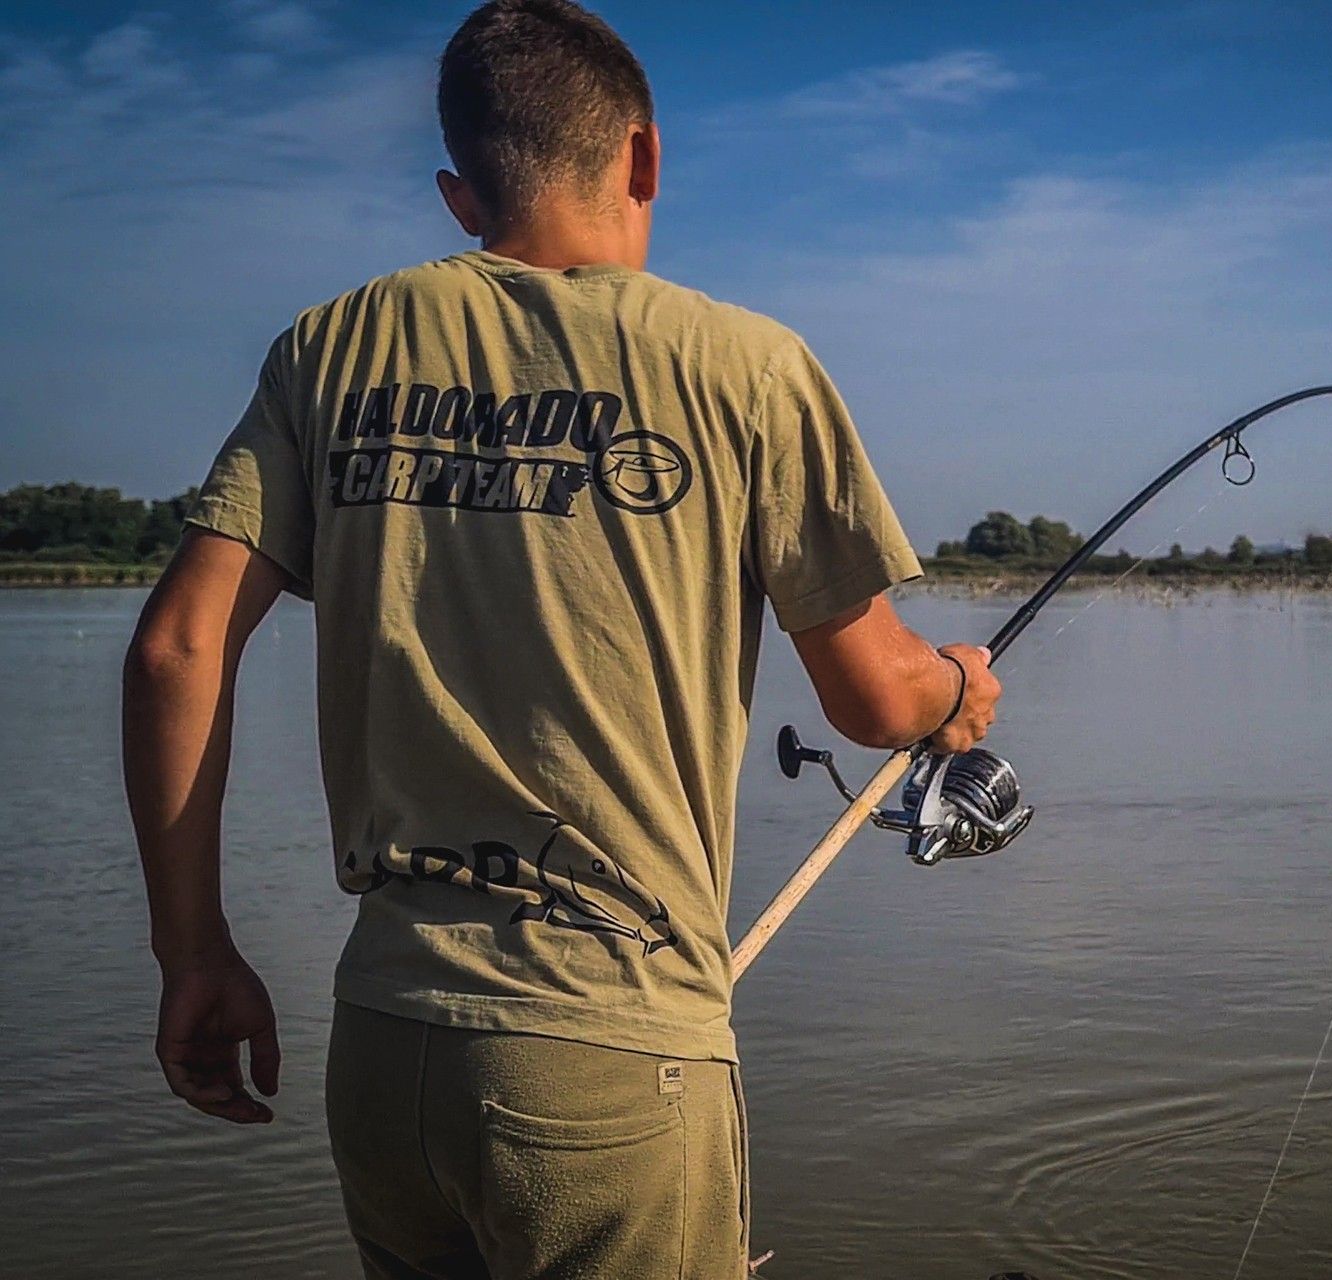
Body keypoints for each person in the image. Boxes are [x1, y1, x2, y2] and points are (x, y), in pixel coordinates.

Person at [119, 1, 1002, 1276]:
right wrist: (957, 693)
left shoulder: (331, 346)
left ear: (457, 193)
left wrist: (191, 951)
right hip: (608, 1050)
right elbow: (873, 697)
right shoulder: (746, 365)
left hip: (382, 1042)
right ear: (643, 158)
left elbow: (174, 649)